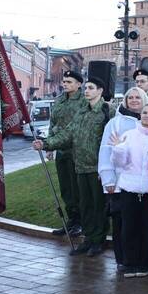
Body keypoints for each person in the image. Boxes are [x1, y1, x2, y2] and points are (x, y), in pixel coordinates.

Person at [34, 76, 111, 257]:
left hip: (99, 168)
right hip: (80, 166)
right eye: (86, 88)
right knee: (84, 204)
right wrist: (46, 144)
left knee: (98, 205)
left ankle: (98, 240)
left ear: (100, 91)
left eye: (91, 88)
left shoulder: (107, 111)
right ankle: (88, 238)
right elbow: (67, 134)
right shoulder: (81, 112)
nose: (86, 91)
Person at [98, 87, 148, 269]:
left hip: (146, 183)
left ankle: (143, 259)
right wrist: (108, 179)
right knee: (121, 223)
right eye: (131, 98)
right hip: (121, 182)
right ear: (126, 101)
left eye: (138, 97)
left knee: (142, 223)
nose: (135, 100)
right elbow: (106, 151)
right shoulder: (115, 123)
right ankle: (123, 259)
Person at [108, 103, 148, 278]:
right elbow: (119, 163)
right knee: (129, 227)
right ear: (140, 115)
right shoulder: (129, 135)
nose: (147, 115)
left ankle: (144, 264)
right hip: (129, 187)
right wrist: (119, 149)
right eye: (145, 112)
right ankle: (130, 263)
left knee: (147, 227)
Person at [47, 70, 86, 238]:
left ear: (79, 84)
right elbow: (52, 123)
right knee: (65, 188)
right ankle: (71, 220)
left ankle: (81, 222)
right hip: (61, 150)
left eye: (69, 82)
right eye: (64, 81)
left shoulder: (84, 101)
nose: (65, 84)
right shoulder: (59, 100)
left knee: (77, 188)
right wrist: (49, 145)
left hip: (76, 150)